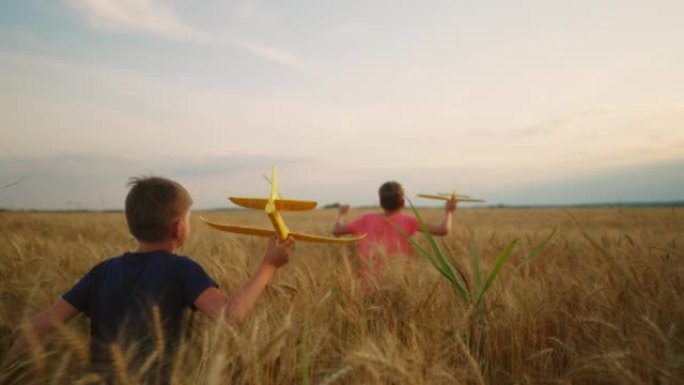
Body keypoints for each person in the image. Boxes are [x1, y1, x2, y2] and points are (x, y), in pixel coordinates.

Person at [2, 176, 295, 383]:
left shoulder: (102, 270)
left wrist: (7, 370)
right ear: (179, 228)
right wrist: (268, 266)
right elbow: (230, 316)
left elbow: (39, 325)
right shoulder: (182, 270)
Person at [331, 181, 456, 286]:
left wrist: (341, 214)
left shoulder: (365, 220)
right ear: (403, 203)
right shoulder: (409, 221)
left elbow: (336, 231)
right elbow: (443, 229)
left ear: (380, 203)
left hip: (367, 285)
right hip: (397, 283)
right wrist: (449, 211)